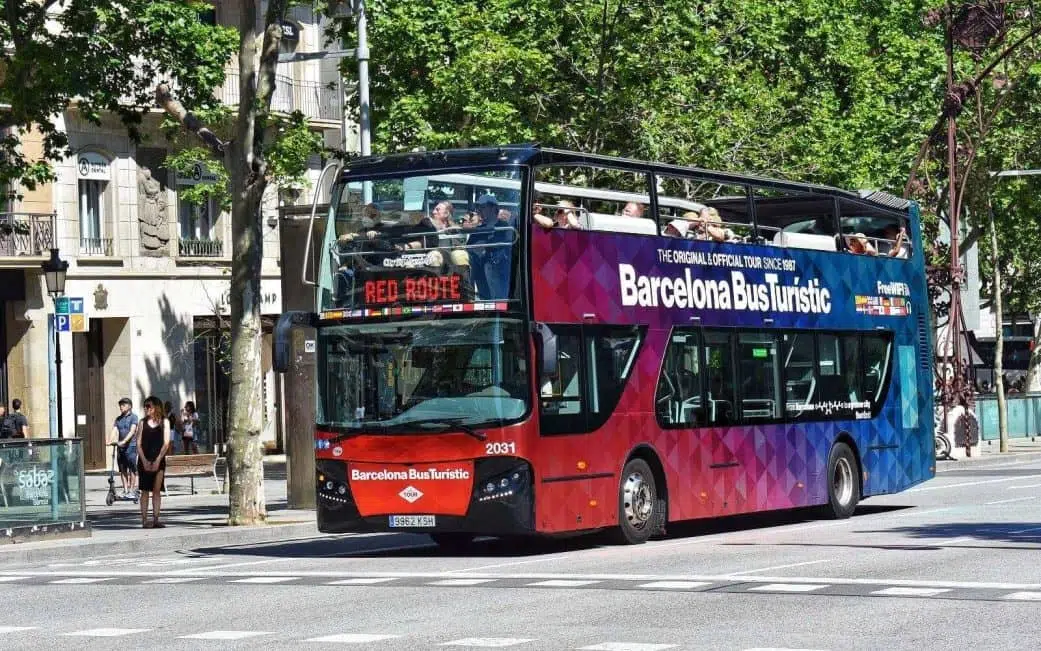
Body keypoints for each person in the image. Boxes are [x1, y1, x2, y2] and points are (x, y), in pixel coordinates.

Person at [136, 396, 171, 528]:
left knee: (156, 490)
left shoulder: (164, 421)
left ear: (156, 407)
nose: (146, 409)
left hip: (159, 460)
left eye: (149, 406)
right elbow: (138, 443)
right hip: (144, 459)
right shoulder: (142, 422)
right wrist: (144, 460)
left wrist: (157, 460)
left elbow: (166, 443)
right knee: (145, 490)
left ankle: (156, 519)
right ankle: (144, 520)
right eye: (145, 406)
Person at [111, 397, 139, 498]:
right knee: (122, 469)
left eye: (123, 405)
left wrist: (124, 441)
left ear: (130, 406)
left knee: (132, 469)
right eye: (120, 405)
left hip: (131, 446)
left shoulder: (134, 417)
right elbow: (114, 430)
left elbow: (132, 431)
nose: (121, 407)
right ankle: (125, 490)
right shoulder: (118, 419)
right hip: (121, 448)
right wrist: (110, 440)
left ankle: (131, 490)